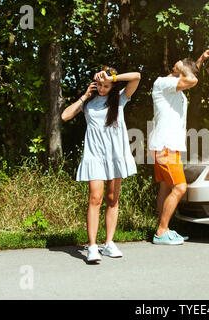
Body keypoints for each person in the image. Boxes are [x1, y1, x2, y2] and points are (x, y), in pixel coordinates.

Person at [61, 66, 141, 262]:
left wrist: (112, 77)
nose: (103, 88)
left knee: (113, 199)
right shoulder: (88, 103)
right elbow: (65, 116)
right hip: (94, 155)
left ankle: (109, 243)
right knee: (95, 198)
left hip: (116, 155)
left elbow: (137, 76)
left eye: (107, 86)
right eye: (100, 85)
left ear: (112, 86)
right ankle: (92, 246)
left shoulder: (120, 99)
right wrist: (85, 96)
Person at [148, 49, 209, 245]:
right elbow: (192, 79)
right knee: (180, 187)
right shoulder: (163, 83)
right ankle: (161, 232)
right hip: (164, 146)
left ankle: (164, 228)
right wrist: (180, 65)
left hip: (169, 145)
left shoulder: (174, 85)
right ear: (178, 70)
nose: (193, 76)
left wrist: (200, 59)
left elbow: (191, 75)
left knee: (165, 188)